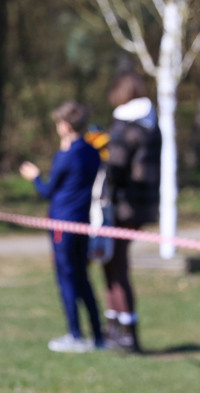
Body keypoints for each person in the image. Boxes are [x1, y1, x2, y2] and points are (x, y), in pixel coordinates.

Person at [20, 100, 104, 353]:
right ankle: (98, 336)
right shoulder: (92, 152)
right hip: (82, 222)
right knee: (83, 278)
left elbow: (47, 191)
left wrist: (34, 176)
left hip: (61, 225)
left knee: (66, 278)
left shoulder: (66, 156)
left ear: (66, 126)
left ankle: (75, 335)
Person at [101, 70, 161, 353]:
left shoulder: (126, 126)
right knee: (113, 263)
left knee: (117, 265)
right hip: (142, 205)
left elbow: (116, 167)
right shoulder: (151, 124)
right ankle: (115, 326)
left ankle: (125, 332)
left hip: (124, 206)